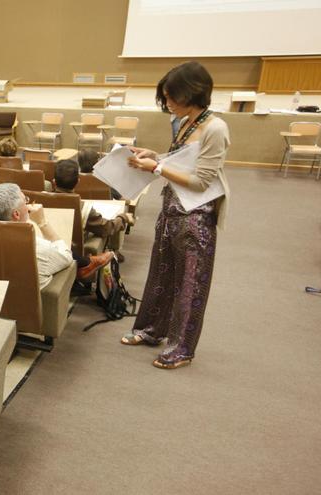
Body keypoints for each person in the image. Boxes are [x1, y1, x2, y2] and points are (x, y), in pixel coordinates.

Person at [121, 61, 230, 370]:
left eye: (171, 97)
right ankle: (153, 329)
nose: (167, 103)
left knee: (191, 282)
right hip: (171, 207)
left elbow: (200, 180)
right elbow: (181, 161)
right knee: (162, 271)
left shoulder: (215, 128)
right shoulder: (183, 122)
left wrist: (156, 168)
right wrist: (153, 156)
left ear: (192, 93)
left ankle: (182, 347)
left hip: (196, 214)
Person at [0, 183, 111, 286]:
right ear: (16, 214)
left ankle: (87, 262)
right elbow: (67, 256)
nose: (28, 203)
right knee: (67, 254)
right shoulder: (36, 247)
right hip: (35, 297)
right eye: (25, 200)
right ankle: (86, 265)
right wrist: (42, 222)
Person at [53, 159, 128, 253]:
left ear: (54, 182)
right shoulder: (83, 208)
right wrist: (123, 217)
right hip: (72, 252)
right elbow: (107, 228)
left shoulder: (38, 203)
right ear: (78, 182)